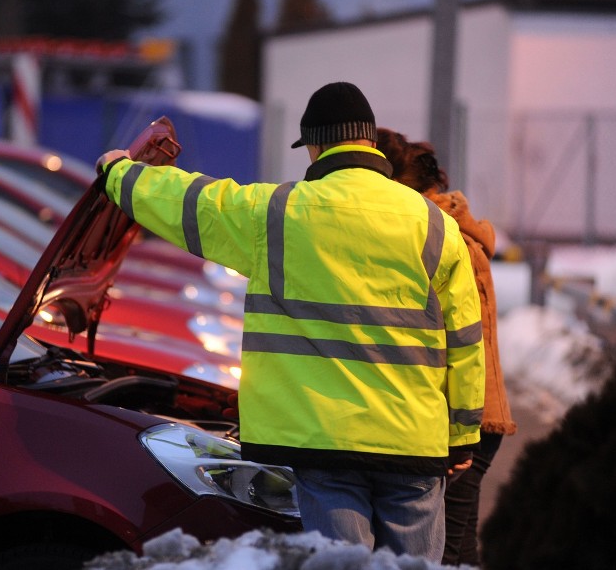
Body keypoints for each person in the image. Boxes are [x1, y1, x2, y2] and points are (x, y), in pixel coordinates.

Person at [95, 82, 485, 562]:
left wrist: (120, 173)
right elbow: (466, 340)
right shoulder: (436, 225)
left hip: (326, 442)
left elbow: (193, 202)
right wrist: (463, 435)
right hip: (415, 444)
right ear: (369, 142)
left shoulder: (277, 213)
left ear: (317, 145)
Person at [376, 128, 517, 566]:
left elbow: (462, 340)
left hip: (467, 421)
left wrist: (460, 425)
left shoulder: (445, 237)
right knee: (452, 546)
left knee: (449, 552)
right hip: (466, 418)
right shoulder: (444, 228)